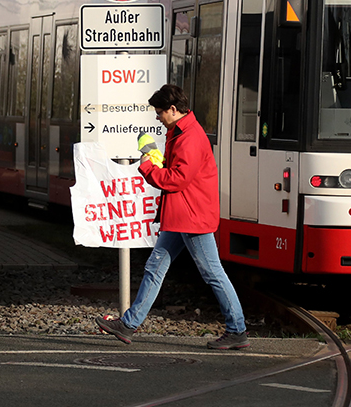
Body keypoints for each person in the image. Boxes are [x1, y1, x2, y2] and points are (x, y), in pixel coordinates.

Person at [95, 84, 249, 350]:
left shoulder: (189, 137)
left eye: (159, 112)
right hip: (183, 215)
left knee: (212, 273)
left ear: (173, 109)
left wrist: (147, 167)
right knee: (155, 268)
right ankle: (128, 324)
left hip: (191, 217)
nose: (157, 117)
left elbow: (177, 179)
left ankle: (237, 329)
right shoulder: (182, 132)